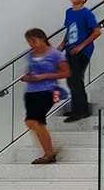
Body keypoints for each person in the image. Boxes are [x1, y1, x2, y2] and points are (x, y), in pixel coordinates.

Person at [20, 28, 68, 164]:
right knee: (30, 122)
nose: (31, 44)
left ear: (42, 39)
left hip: (48, 90)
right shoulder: (30, 55)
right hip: (31, 91)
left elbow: (66, 73)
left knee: (36, 121)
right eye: (29, 41)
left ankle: (49, 153)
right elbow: (30, 71)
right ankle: (48, 149)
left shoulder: (55, 54)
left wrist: (44, 76)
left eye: (33, 40)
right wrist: (27, 77)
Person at [59, 0, 102, 122]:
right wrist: (62, 44)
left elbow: (97, 31)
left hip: (82, 51)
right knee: (70, 79)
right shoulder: (69, 12)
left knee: (77, 79)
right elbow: (70, 29)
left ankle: (81, 111)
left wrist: (82, 46)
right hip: (70, 49)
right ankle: (75, 108)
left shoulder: (87, 14)